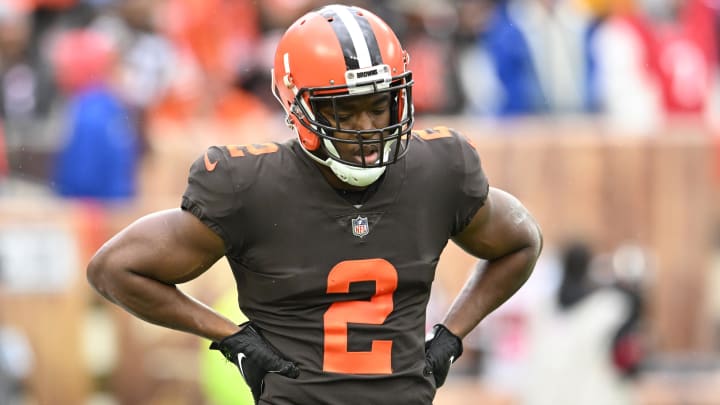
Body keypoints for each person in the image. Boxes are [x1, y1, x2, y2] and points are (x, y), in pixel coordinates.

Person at [86, 4, 542, 405]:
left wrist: (451, 337)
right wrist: (229, 336)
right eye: (344, 110)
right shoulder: (250, 185)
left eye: (379, 105)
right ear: (297, 107)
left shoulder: (438, 168)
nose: (366, 128)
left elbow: (522, 240)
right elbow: (113, 268)